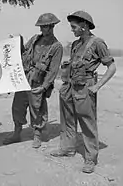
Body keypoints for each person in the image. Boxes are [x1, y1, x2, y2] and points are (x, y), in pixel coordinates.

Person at [50, 11, 116, 174]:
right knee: (67, 119)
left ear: (84, 26)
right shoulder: (75, 44)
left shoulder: (98, 43)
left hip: (85, 86)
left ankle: (90, 158)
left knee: (87, 122)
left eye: (74, 27)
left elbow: (112, 67)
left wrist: (97, 86)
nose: (72, 30)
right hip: (70, 86)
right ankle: (67, 148)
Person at [3, 13, 63, 148]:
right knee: (17, 106)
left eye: (44, 27)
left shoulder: (56, 46)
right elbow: (24, 52)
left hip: (38, 82)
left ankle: (37, 135)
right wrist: (16, 43)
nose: (42, 29)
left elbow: (53, 70)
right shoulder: (35, 39)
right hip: (24, 78)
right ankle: (16, 133)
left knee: (37, 109)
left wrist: (44, 86)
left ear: (51, 26)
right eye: (41, 27)